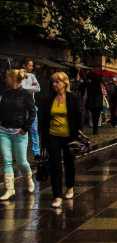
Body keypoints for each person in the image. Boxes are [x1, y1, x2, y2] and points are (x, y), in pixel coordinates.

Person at [40, 72, 83, 208]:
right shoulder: (48, 99)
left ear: (64, 83)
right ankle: (57, 196)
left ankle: (69, 186)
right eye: (53, 82)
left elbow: (78, 116)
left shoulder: (73, 97)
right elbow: (44, 119)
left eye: (57, 82)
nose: (54, 84)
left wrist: (79, 134)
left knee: (69, 163)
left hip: (69, 136)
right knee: (55, 166)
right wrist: (43, 139)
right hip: (53, 136)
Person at [0, 69, 36, 200]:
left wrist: (25, 128)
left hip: (19, 131)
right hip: (4, 130)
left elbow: (32, 112)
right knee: (6, 160)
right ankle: (9, 189)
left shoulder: (25, 94)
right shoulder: (6, 93)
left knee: (21, 162)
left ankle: (29, 179)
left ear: (12, 79)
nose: (5, 80)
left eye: (6, 77)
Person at [20, 58, 41, 159]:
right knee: (21, 130)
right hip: (21, 106)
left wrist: (24, 88)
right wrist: (30, 87)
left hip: (32, 105)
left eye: (32, 65)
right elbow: (19, 88)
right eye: (30, 65)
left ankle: (36, 153)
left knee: (34, 130)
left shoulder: (32, 76)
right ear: (24, 65)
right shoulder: (18, 75)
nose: (31, 67)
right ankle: (21, 152)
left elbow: (37, 88)